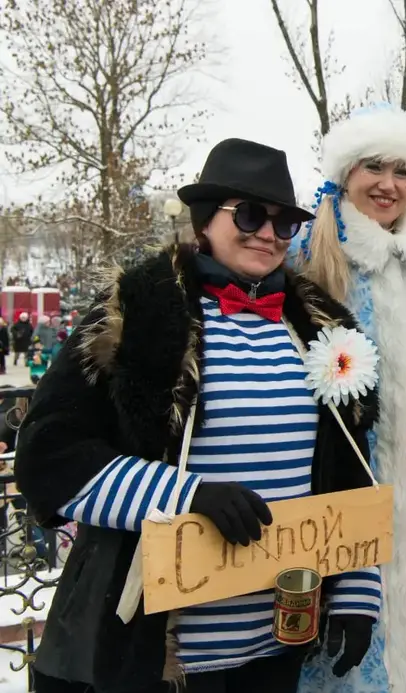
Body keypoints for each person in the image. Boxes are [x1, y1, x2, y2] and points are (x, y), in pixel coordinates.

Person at [15, 138, 383, 693]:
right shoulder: (137, 310)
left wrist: (357, 587)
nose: (268, 233)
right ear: (205, 219)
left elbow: (349, 459)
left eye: (284, 223)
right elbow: (47, 455)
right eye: (252, 215)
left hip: (280, 641)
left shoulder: (320, 324)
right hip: (162, 652)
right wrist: (185, 496)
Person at [294, 104, 406, 693]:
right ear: (345, 173)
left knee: (404, 631)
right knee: (339, 653)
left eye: (402, 171)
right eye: (373, 167)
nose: (388, 184)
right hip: (329, 493)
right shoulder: (305, 259)